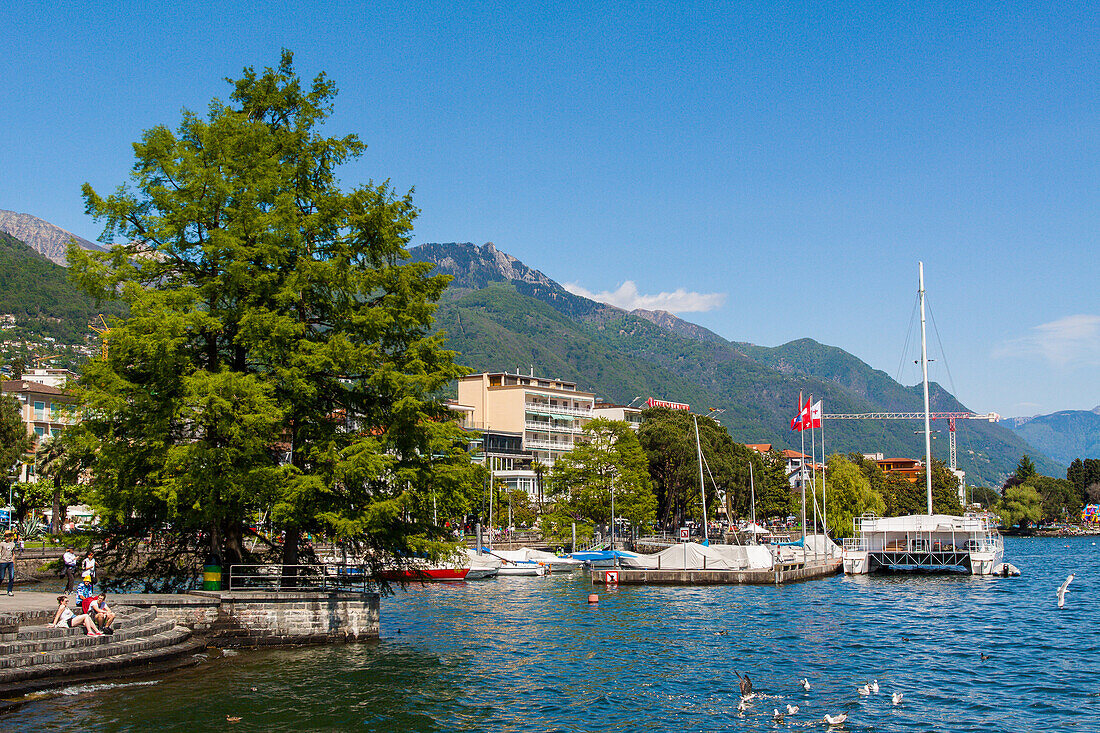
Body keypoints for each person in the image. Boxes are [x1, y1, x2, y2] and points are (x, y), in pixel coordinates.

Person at [0, 530, 16, 596]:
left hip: (10, 562)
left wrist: (13, 561)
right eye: (5, 536)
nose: (6, 537)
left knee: (11, 577)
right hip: (3, 562)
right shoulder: (2, 544)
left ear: (10, 537)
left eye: (7, 536)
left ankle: (9, 590)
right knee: (1, 577)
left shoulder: (13, 544)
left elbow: (13, 553)